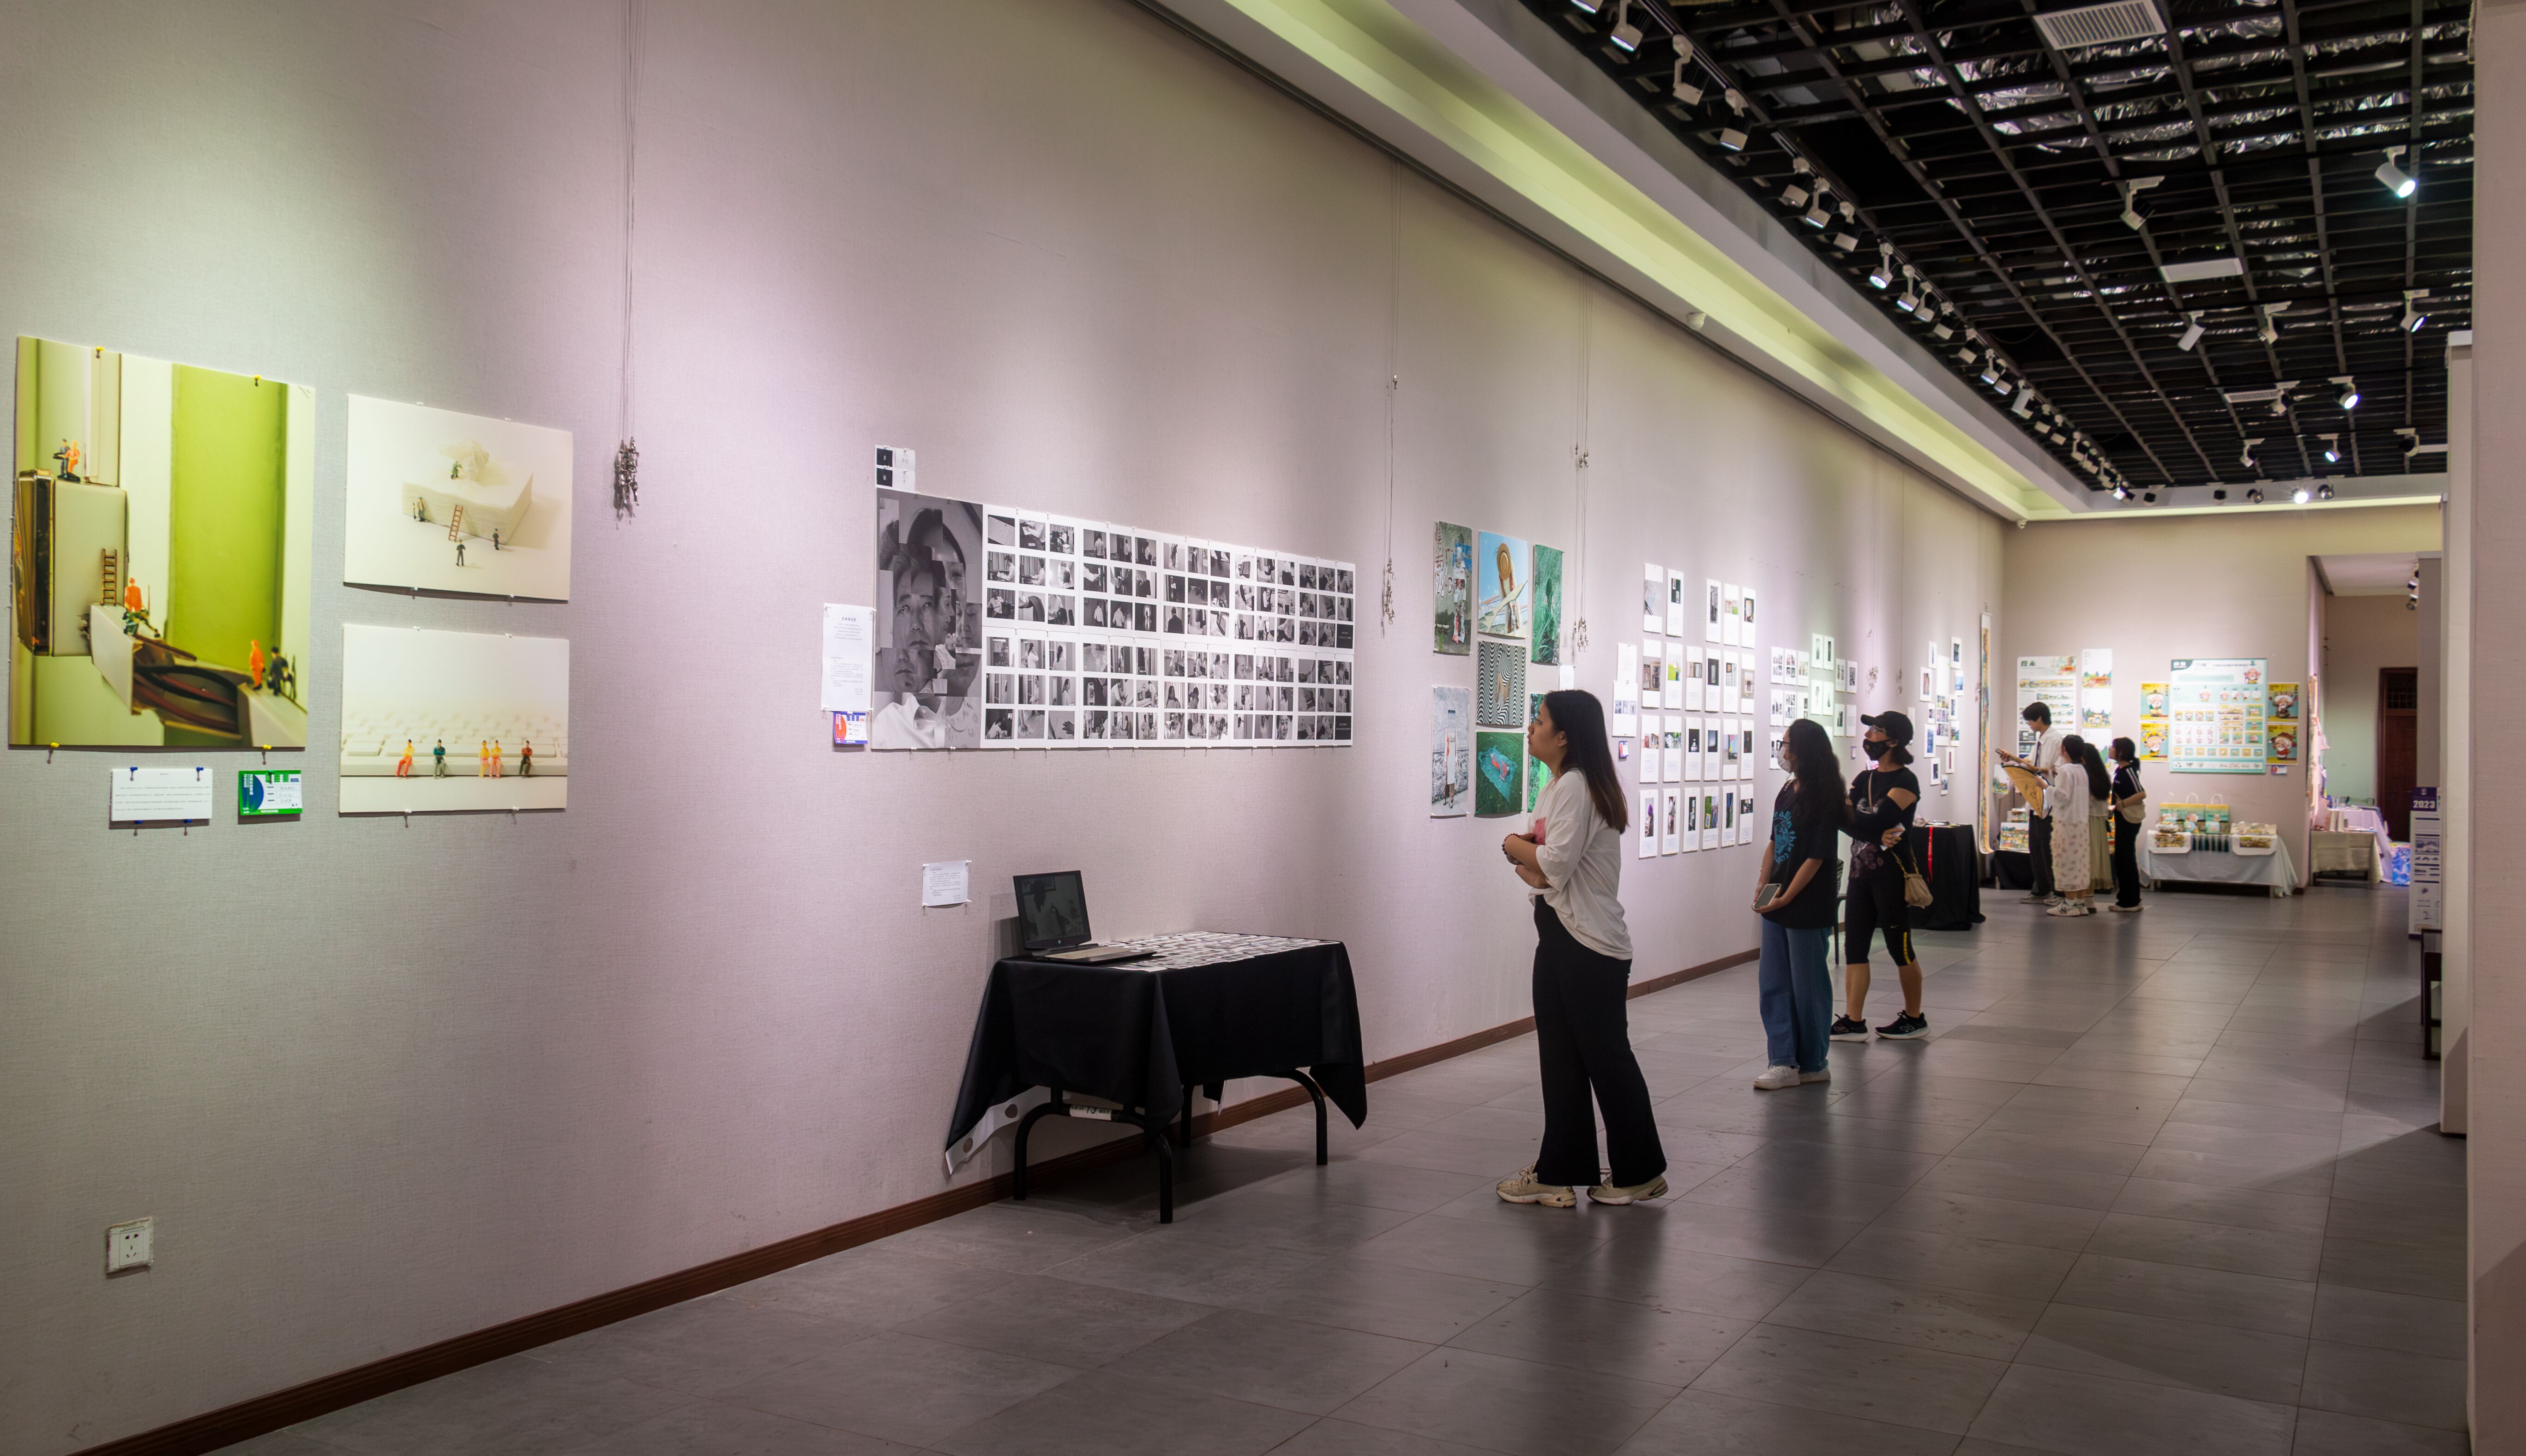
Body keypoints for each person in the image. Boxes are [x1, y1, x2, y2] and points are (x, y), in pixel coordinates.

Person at [1496, 690, 1667, 1208]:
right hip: (1562, 934)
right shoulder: (1560, 785)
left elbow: (1550, 865)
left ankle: (1640, 1171)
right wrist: (1532, 860)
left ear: (1565, 735)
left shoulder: (1575, 786)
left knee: (1605, 1057)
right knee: (1562, 1058)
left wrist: (1512, 845)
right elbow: (1544, 870)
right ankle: (1558, 1172)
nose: (1531, 727)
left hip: (1586, 943)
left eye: (1540, 720)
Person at [1752, 719, 1842, 1089]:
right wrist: (1764, 883)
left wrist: (1788, 896)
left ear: (1804, 749)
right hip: (1778, 897)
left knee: (1808, 986)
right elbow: (1775, 840)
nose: (1783, 751)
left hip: (1807, 902)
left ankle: (1814, 1062)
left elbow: (1817, 856)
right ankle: (1783, 1060)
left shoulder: (1824, 795)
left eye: (1787, 744)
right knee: (1773, 981)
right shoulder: (1787, 789)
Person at [1834, 713, 1926, 1040]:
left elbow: (1880, 819)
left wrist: (1865, 827)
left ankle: (1914, 1017)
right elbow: (1843, 819)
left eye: (1876, 730)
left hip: (1892, 876)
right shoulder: (1864, 778)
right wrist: (1875, 835)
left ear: (1894, 741)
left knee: (1899, 947)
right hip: (1860, 874)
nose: (1869, 735)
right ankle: (1853, 1020)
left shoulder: (1906, 781)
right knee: (1855, 947)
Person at [1999, 702, 2066, 905]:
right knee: (2036, 847)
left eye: (2029, 720)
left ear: (2039, 719)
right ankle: (2041, 889)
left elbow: (2054, 769)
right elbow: (2032, 764)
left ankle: (2056, 891)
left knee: (2047, 848)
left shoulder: (2056, 740)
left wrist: (2040, 770)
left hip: (2048, 800)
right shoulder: (2041, 740)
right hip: (2036, 801)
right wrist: (2013, 758)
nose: (2028, 724)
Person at [2047, 734, 2110, 916]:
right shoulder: (2083, 770)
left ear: (2065, 749)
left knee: (2066, 862)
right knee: (2081, 864)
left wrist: (2045, 787)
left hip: (2068, 824)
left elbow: (2062, 797)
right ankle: (2080, 903)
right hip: (2082, 824)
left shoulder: (2066, 770)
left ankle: (2068, 904)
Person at [2108, 736, 2145, 912]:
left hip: (2129, 820)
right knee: (2124, 858)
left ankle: (2130, 901)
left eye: (2113, 747)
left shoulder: (2128, 771)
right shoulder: (2120, 771)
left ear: (2121, 752)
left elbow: (2141, 794)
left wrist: (2121, 805)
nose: (2110, 749)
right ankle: (2127, 899)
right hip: (2123, 819)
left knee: (2126, 859)